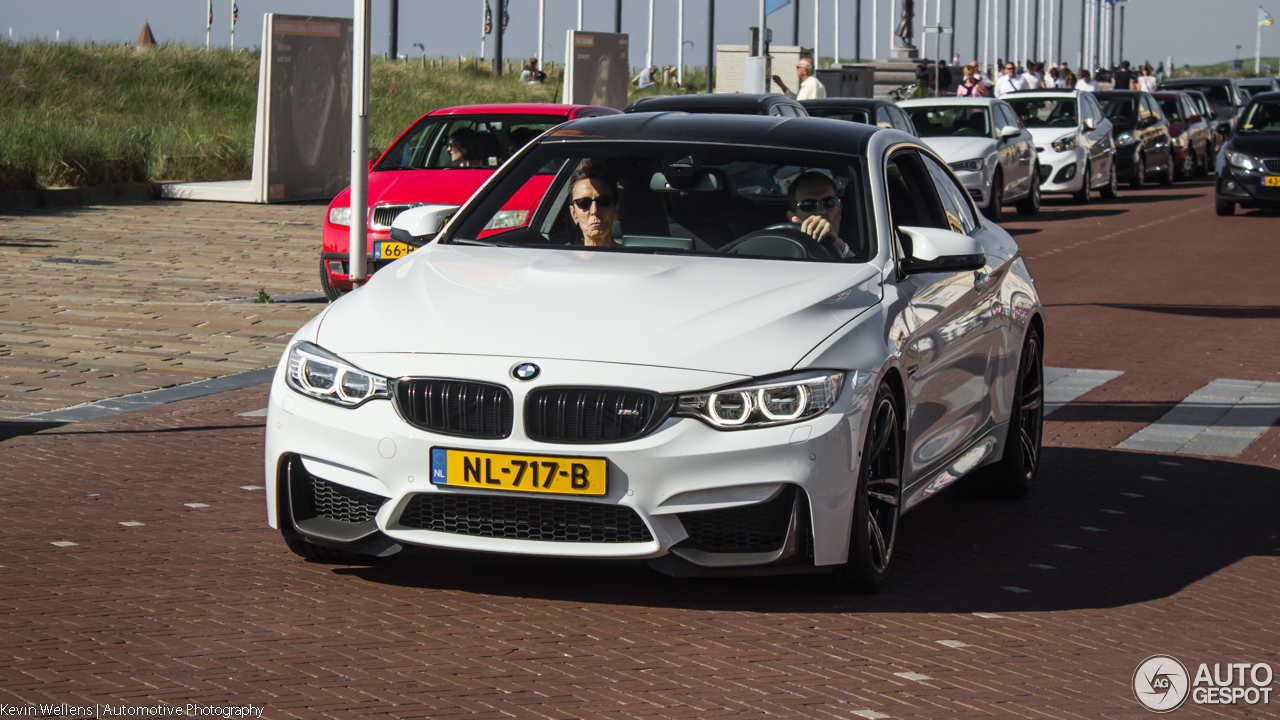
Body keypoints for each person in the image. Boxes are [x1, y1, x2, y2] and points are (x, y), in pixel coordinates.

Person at [786, 172, 852, 259]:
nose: (821, 211)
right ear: (792, 217)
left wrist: (839, 246)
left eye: (830, 202)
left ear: (839, 210)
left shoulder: (869, 248)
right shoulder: (783, 253)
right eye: (808, 205)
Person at [567, 164, 619, 247]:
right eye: (584, 203)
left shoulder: (634, 258)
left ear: (615, 211)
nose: (594, 211)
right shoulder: (561, 258)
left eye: (603, 201)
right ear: (573, 214)